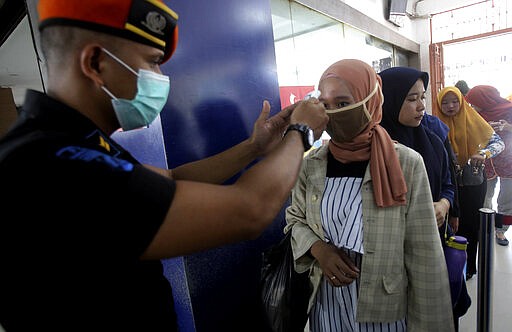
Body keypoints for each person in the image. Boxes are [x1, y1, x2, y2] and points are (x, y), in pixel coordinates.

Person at [0, 1, 329, 331]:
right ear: (96, 62)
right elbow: (250, 209)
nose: (160, 77)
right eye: (152, 63)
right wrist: (301, 134)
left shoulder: (67, 143)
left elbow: (170, 179)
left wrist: (253, 148)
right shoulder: (55, 165)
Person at [285, 59, 454, 331]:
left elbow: (423, 255)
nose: (335, 114)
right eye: (325, 106)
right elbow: (295, 219)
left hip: (384, 309)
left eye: (343, 104)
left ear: (370, 101)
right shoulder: (311, 164)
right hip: (327, 305)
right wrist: (319, 250)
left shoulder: (406, 163)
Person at [379, 66, 470, 330]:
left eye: (422, 97)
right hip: (391, 258)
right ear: (389, 99)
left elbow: (448, 184)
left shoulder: (432, 141)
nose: (421, 106)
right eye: (411, 99)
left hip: (432, 246)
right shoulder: (373, 149)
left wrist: (445, 204)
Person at [435, 86, 505, 280]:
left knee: (471, 224)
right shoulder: (435, 123)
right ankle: (450, 266)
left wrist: (482, 154)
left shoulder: (473, 118)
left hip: (473, 182)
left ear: (461, 101)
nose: (450, 106)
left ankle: (469, 267)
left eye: (455, 101)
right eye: (445, 102)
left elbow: (498, 143)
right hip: (447, 183)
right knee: (449, 224)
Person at [466, 85, 512, 246]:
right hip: (486, 161)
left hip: (508, 162)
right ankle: (487, 226)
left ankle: (501, 231)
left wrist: (507, 127)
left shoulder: (509, 110)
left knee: (507, 199)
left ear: (484, 99)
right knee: (485, 196)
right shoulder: (475, 115)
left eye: (474, 102)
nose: (471, 106)